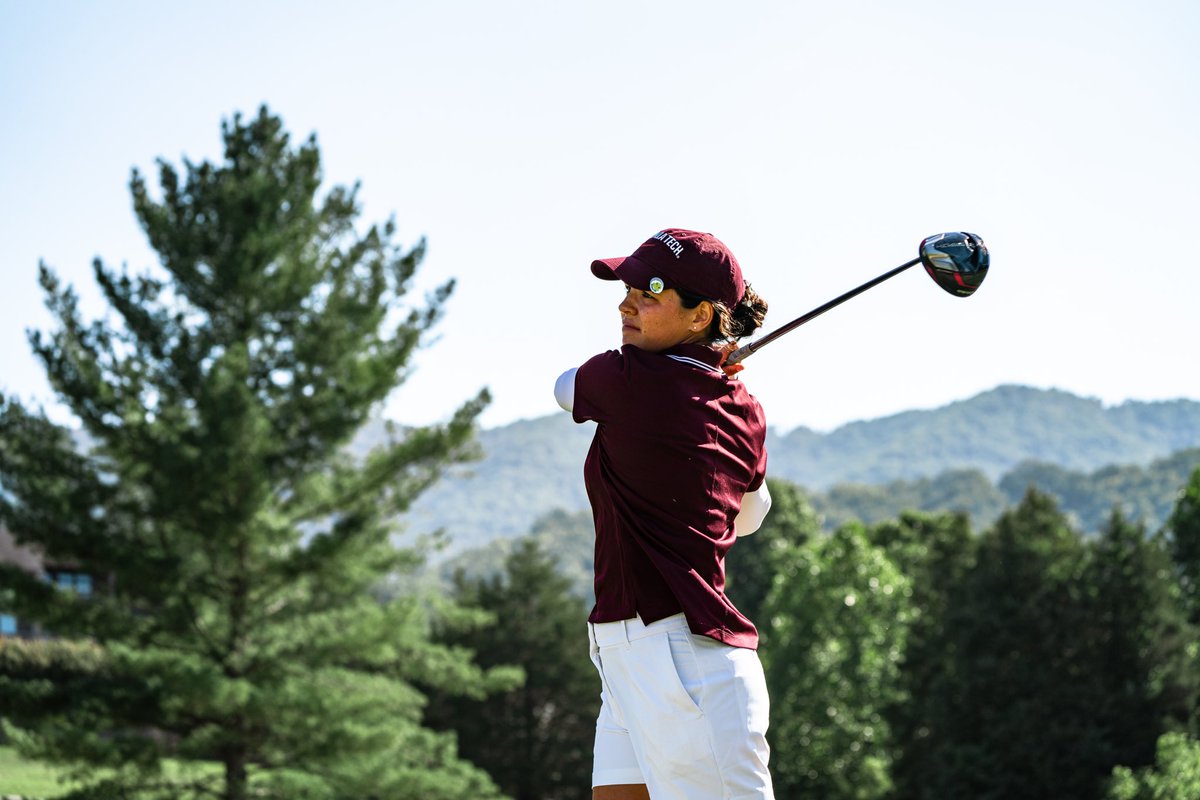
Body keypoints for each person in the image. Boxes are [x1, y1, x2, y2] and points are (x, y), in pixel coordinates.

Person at [554, 228, 775, 800]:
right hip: (631, 659)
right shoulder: (743, 409)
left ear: (702, 314)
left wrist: (685, 377)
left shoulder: (628, 376)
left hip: (684, 663)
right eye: (627, 287)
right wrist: (702, 378)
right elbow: (750, 515)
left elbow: (563, 388)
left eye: (650, 290)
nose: (627, 303)